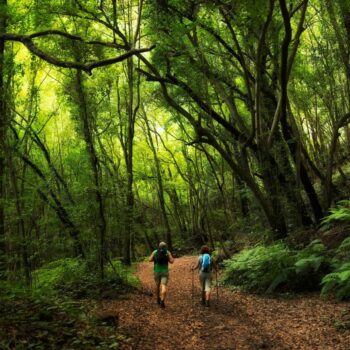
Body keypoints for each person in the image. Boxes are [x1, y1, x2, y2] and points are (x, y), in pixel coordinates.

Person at [149, 242, 174, 308]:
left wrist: (155, 258)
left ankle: (158, 298)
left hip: (156, 271)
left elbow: (149, 260)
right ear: (165, 246)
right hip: (165, 272)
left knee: (157, 285)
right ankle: (162, 300)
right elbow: (172, 261)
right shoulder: (167, 252)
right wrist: (169, 255)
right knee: (163, 286)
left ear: (159, 246)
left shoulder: (155, 252)